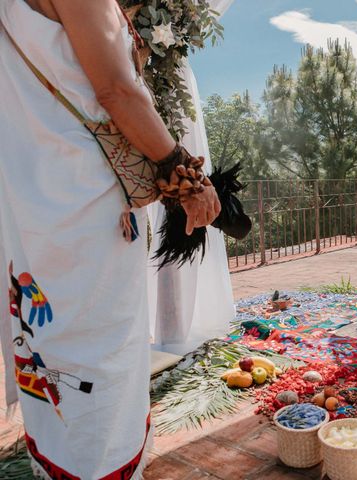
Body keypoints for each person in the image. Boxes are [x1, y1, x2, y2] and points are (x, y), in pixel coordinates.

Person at [0, 0, 220, 477]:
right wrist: (190, 178)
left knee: (48, 333)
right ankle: (100, 464)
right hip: (86, 199)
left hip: (30, 195)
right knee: (100, 343)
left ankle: (60, 458)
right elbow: (117, 90)